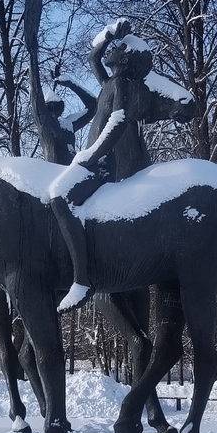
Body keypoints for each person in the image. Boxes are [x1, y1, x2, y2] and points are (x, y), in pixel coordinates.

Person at [48, 19, 159, 311]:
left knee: (60, 194)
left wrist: (93, 154)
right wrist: (110, 33)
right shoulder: (109, 82)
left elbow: (119, 120)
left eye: (117, 47)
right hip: (95, 161)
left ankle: (81, 280)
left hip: (102, 165)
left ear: (125, 59)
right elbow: (92, 57)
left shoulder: (121, 83)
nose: (111, 48)